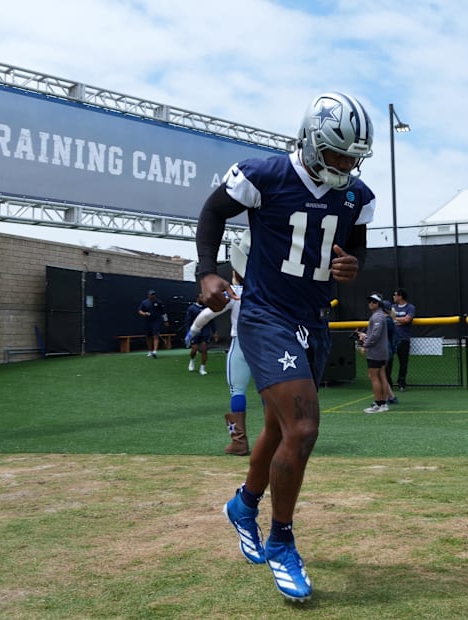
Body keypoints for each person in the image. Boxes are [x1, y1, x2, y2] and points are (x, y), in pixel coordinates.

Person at [195, 92, 375, 602]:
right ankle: (283, 541)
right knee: (304, 427)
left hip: (313, 319)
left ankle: (244, 504)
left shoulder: (357, 196)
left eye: (352, 156)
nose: (345, 164)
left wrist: (352, 267)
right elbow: (212, 212)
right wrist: (206, 270)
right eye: (337, 153)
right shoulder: (264, 175)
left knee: (278, 429)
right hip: (265, 314)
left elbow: (354, 247)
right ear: (313, 141)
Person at [186, 230, 252, 455]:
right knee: (270, 393)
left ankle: (239, 441)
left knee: (237, 390)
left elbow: (206, 315)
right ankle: (274, 439)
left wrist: (193, 331)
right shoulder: (268, 293)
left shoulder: (235, 293)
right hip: (266, 345)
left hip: (240, 344)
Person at [357, 293, 390, 413]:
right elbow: (375, 334)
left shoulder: (377, 317)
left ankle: (379, 403)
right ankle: (383, 403)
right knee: (382, 376)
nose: (370, 304)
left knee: (374, 377)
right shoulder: (380, 316)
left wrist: (365, 345)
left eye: (373, 302)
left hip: (376, 352)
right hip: (381, 351)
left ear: (378, 304)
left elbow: (375, 334)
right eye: (370, 301)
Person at [388, 288, 415, 391]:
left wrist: (395, 320)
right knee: (389, 361)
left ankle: (401, 383)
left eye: (395, 295)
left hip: (404, 338)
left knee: (403, 362)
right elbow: (389, 319)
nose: (394, 297)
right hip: (392, 339)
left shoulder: (410, 307)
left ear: (400, 296)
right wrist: (399, 320)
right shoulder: (392, 307)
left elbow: (407, 319)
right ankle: (388, 383)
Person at [186, 293, 217, 376]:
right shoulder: (192, 308)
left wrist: (215, 332)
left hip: (205, 331)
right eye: (201, 297)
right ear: (197, 298)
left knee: (204, 349)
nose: (203, 299)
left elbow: (211, 321)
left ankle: (202, 368)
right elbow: (188, 322)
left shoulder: (207, 308)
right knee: (194, 349)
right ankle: (192, 360)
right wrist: (189, 333)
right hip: (195, 331)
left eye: (204, 297)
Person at [137, 289, 169, 358]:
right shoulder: (144, 302)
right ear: (148, 295)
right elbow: (140, 310)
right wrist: (144, 313)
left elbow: (163, 313)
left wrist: (166, 321)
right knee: (148, 336)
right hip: (148, 321)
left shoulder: (159, 302)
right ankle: (150, 351)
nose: (153, 296)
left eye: (154, 294)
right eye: (151, 294)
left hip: (156, 321)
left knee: (155, 335)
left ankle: (155, 351)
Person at [382, 299, 399, 405]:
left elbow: (378, 335)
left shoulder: (387, 321)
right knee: (382, 375)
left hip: (385, 350)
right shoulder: (388, 320)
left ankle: (384, 399)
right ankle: (391, 397)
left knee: (380, 375)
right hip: (387, 350)